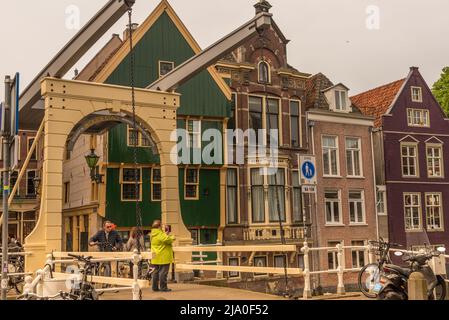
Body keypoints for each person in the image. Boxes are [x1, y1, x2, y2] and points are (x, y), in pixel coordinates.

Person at [150, 220, 175, 292]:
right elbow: (168, 240)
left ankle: (154, 287)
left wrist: (165, 234)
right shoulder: (160, 234)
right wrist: (172, 236)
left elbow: (161, 240)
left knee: (155, 273)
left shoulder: (152, 234)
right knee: (163, 273)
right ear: (159, 226)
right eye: (161, 225)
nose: (162, 226)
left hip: (155, 256)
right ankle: (163, 288)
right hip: (163, 256)